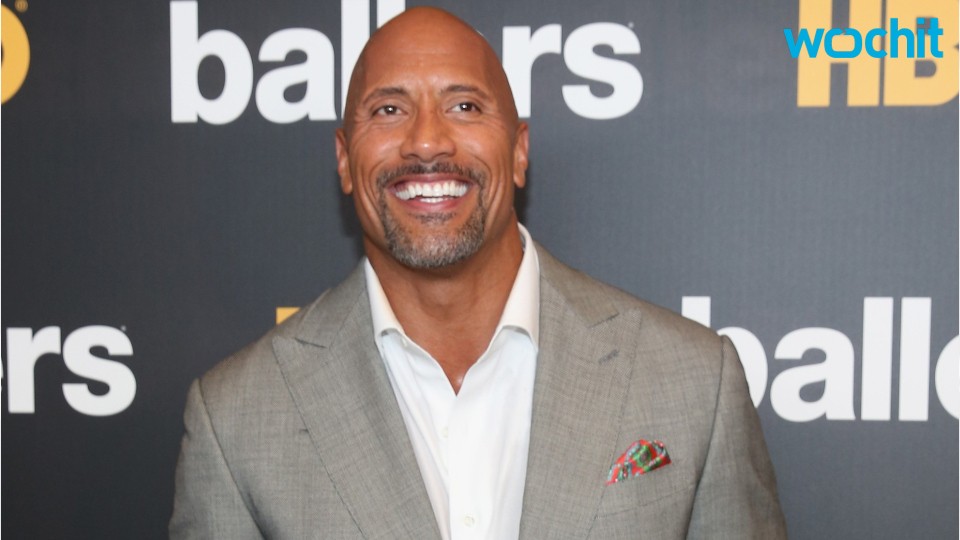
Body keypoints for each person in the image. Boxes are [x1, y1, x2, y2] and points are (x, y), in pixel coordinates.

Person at [170, 7, 787, 539]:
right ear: (343, 159)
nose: (427, 142)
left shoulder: (693, 381)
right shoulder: (236, 419)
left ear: (518, 151)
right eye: (389, 109)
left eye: (464, 106)